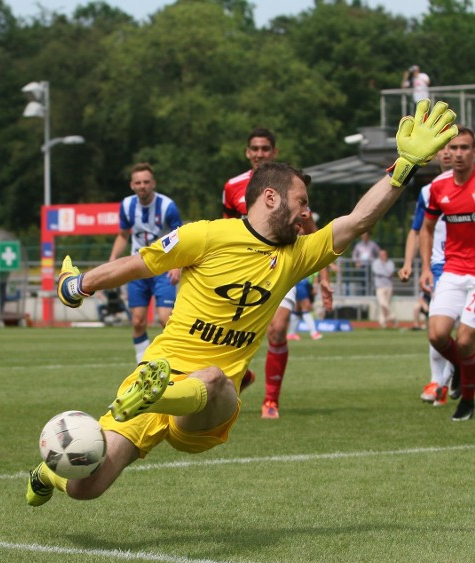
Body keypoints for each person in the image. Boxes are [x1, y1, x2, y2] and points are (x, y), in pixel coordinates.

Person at [26, 99, 457, 506]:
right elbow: (140, 264)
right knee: (87, 488)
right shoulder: (205, 235)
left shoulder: (296, 255)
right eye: (301, 202)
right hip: (159, 370)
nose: (307, 215)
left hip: (207, 406)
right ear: (271, 197)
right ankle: (46, 475)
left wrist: (404, 166)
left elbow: (359, 219)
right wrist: (77, 285)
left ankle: (156, 396)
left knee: (213, 377)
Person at [223, 128, 332, 418]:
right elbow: (225, 230)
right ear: (248, 152)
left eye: (266, 149)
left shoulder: (290, 185)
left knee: (277, 329)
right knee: (228, 331)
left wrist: (323, 278)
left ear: (274, 153)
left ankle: (271, 400)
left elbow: (311, 230)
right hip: (243, 268)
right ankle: (239, 376)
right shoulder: (232, 186)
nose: (260, 154)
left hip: (282, 262)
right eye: (255, 149)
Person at [419, 127, 475, 421]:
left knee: (465, 340)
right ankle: (465, 370)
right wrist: (426, 267)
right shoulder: (438, 188)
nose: (458, 154)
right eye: (453, 148)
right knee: (437, 335)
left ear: (473, 151)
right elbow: (426, 229)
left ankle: (467, 398)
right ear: (446, 152)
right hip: (452, 271)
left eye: (465, 148)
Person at [108, 163, 182, 363]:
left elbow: (180, 237)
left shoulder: (167, 206)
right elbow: (123, 234)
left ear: (153, 183)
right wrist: (113, 259)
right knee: (138, 321)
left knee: (165, 319)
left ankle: (177, 362)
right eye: (138, 182)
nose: (143, 186)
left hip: (163, 268)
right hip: (137, 268)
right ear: (132, 185)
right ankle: (143, 365)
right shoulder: (126, 205)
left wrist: (177, 266)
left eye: (146, 182)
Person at [398, 145, 455, 404]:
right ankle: (438, 382)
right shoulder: (429, 190)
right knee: (436, 329)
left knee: (466, 333)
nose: (448, 153)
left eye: (456, 147)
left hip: (469, 266)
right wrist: (412, 264)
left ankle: (451, 379)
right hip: (440, 266)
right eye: (443, 148)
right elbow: (417, 230)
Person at [371, 249, 396, 328]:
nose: (383, 256)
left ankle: (383, 322)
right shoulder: (376, 263)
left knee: (384, 305)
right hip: (379, 286)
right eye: (381, 254)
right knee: (382, 302)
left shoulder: (390, 263)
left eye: (384, 254)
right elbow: (377, 272)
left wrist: (384, 273)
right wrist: (386, 273)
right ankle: (392, 316)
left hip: (389, 286)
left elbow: (390, 272)